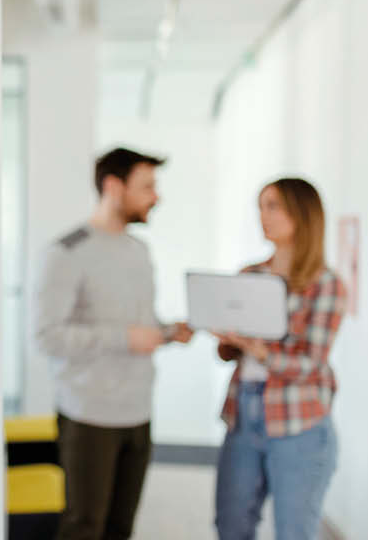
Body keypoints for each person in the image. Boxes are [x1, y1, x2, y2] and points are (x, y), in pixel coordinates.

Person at [32, 147, 194, 540]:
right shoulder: (67, 252)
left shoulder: (139, 251)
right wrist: (124, 338)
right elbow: (47, 336)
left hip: (137, 413)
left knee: (121, 528)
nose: (156, 197)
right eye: (147, 186)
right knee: (84, 527)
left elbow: (140, 325)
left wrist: (169, 332)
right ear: (113, 186)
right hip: (90, 417)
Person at [214, 178, 346, 540]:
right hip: (243, 414)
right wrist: (228, 339)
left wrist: (260, 349)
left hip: (299, 422)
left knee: (294, 531)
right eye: (261, 206)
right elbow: (229, 355)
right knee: (231, 526)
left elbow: (311, 365)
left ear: (301, 214)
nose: (263, 216)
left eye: (273, 206)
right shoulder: (250, 275)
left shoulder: (326, 284)